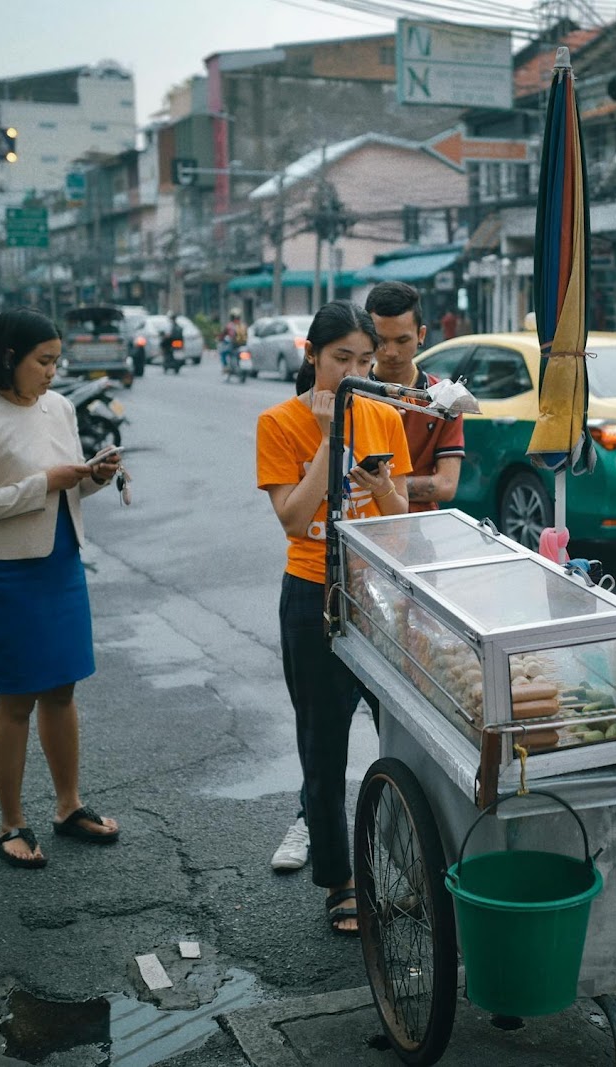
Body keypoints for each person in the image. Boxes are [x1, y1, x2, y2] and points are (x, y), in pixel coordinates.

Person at [0, 308, 125, 870]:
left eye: (56, 360)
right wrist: (43, 483)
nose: (53, 371)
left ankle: (68, 806)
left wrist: (92, 478)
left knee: (63, 688)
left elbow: (63, 494)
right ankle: (10, 824)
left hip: (59, 560)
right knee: (15, 697)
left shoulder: (61, 407)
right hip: (1, 571)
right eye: (43, 361)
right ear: (8, 359)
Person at [256, 302, 410, 933]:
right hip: (313, 594)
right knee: (323, 747)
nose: (352, 371)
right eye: (340, 359)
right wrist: (328, 439)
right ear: (313, 356)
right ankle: (338, 880)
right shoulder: (280, 422)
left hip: (378, 597)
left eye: (364, 361)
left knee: (406, 739)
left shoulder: (383, 415)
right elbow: (294, 518)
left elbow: (399, 520)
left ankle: (413, 865)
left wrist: (381, 488)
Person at [365, 282, 465, 513]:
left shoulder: (445, 397)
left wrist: (379, 487)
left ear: (421, 335)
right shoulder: (352, 393)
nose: (390, 352)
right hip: (361, 522)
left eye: (402, 340)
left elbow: (447, 485)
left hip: (420, 526)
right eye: (380, 341)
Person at [221, 308, 247, 376]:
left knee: (223, 353)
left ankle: (225, 367)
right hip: (243, 345)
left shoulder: (229, 325)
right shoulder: (243, 325)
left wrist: (220, 339)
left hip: (233, 345)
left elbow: (223, 335)